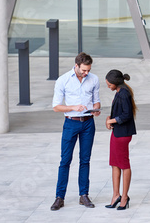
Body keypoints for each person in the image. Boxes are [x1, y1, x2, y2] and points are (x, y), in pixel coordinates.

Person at [50, 52, 101, 211]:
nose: (86, 73)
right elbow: (56, 107)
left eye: (88, 70)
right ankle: (60, 197)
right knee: (65, 160)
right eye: (84, 70)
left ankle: (84, 195)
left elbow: (96, 101)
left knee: (85, 160)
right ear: (76, 65)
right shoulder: (63, 80)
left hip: (88, 123)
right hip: (71, 123)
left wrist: (96, 109)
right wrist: (73, 107)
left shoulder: (94, 79)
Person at [104, 70, 137, 210]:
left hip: (122, 134)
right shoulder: (119, 91)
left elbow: (126, 115)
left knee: (123, 164)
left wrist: (111, 120)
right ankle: (116, 195)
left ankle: (124, 196)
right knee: (114, 163)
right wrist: (109, 119)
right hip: (117, 133)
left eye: (109, 84)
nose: (108, 87)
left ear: (116, 83)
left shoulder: (123, 94)